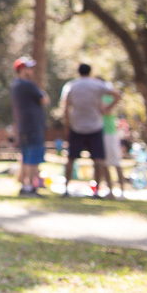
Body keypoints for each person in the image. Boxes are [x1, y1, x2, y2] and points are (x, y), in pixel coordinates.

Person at [59, 63, 121, 197]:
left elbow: (65, 107)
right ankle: (97, 191)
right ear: (90, 72)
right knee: (98, 159)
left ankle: (66, 189)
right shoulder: (97, 85)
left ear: (78, 72)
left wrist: (67, 125)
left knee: (71, 158)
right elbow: (117, 94)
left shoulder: (71, 86)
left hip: (77, 126)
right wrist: (108, 108)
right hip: (95, 126)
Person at [10, 56, 49, 196]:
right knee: (33, 156)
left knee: (26, 156)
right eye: (29, 68)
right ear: (22, 69)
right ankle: (31, 186)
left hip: (23, 127)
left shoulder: (15, 85)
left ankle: (26, 185)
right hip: (33, 126)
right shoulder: (28, 85)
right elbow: (44, 99)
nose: (31, 70)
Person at [101, 92, 126, 197]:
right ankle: (110, 191)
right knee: (103, 163)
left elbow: (107, 111)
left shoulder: (107, 97)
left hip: (109, 133)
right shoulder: (97, 97)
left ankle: (122, 191)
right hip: (99, 133)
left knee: (116, 162)